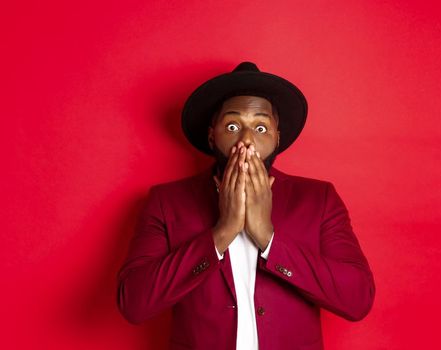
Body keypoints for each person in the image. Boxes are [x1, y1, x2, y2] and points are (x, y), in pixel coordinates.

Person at [117, 62, 375, 350]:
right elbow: (134, 303)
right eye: (232, 126)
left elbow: (357, 300)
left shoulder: (319, 199)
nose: (247, 140)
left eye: (261, 127)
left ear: (277, 137)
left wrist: (267, 237)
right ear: (212, 134)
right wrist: (222, 232)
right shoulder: (167, 202)